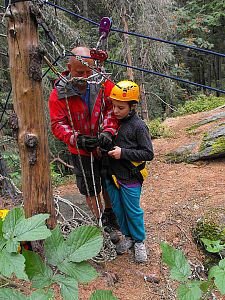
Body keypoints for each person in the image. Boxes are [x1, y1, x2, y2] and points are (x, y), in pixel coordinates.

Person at [48, 46, 119, 231]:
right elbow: (57, 124)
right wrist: (76, 139)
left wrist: (108, 131)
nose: (86, 76)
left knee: (108, 180)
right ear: (69, 67)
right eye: (80, 72)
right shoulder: (59, 94)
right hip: (80, 149)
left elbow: (113, 107)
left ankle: (111, 213)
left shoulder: (102, 83)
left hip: (103, 142)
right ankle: (99, 219)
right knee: (89, 185)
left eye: (90, 71)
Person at [103, 80, 154, 263]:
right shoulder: (113, 123)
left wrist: (123, 153)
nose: (115, 111)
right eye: (114, 106)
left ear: (132, 107)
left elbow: (148, 153)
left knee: (133, 211)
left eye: (120, 108)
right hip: (113, 176)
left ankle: (139, 242)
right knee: (118, 209)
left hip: (131, 176)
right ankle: (128, 237)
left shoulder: (138, 126)